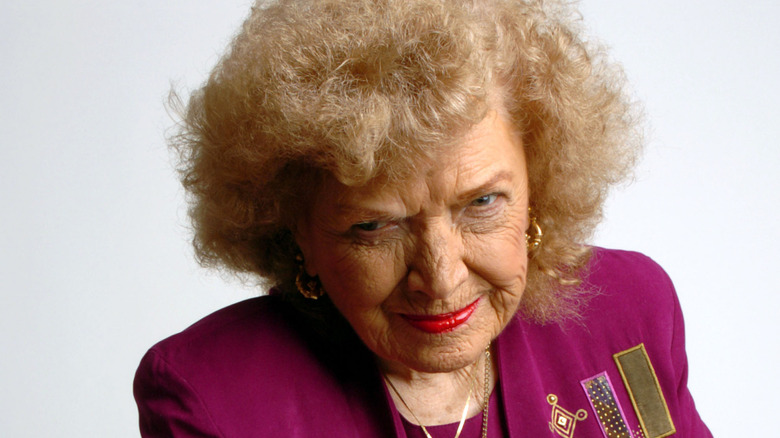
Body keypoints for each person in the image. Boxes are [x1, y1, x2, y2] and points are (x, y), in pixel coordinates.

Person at [134, 0, 712, 436]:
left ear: (540, 183)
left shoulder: (628, 311)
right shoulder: (213, 398)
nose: (441, 277)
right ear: (295, 235)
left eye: (482, 203)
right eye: (374, 226)